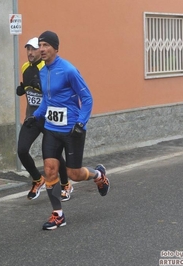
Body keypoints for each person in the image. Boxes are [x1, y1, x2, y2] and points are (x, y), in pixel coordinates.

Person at [26, 31, 110, 230]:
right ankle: (58, 214)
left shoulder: (69, 70)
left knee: (74, 174)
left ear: (56, 48)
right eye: (40, 45)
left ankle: (98, 175)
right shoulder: (43, 71)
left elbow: (87, 98)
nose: (42, 49)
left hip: (71, 129)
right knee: (49, 170)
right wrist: (36, 115)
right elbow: (48, 99)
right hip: (51, 128)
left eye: (46, 45)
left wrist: (81, 123)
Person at [17, 37, 73, 201]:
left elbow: (53, 93)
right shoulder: (25, 67)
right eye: (28, 49)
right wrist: (23, 89)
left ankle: (65, 185)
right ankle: (37, 179)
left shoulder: (47, 68)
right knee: (21, 150)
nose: (30, 53)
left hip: (49, 119)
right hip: (32, 118)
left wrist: (40, 87)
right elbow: (29, 90)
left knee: (55, 155)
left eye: (33, 49)